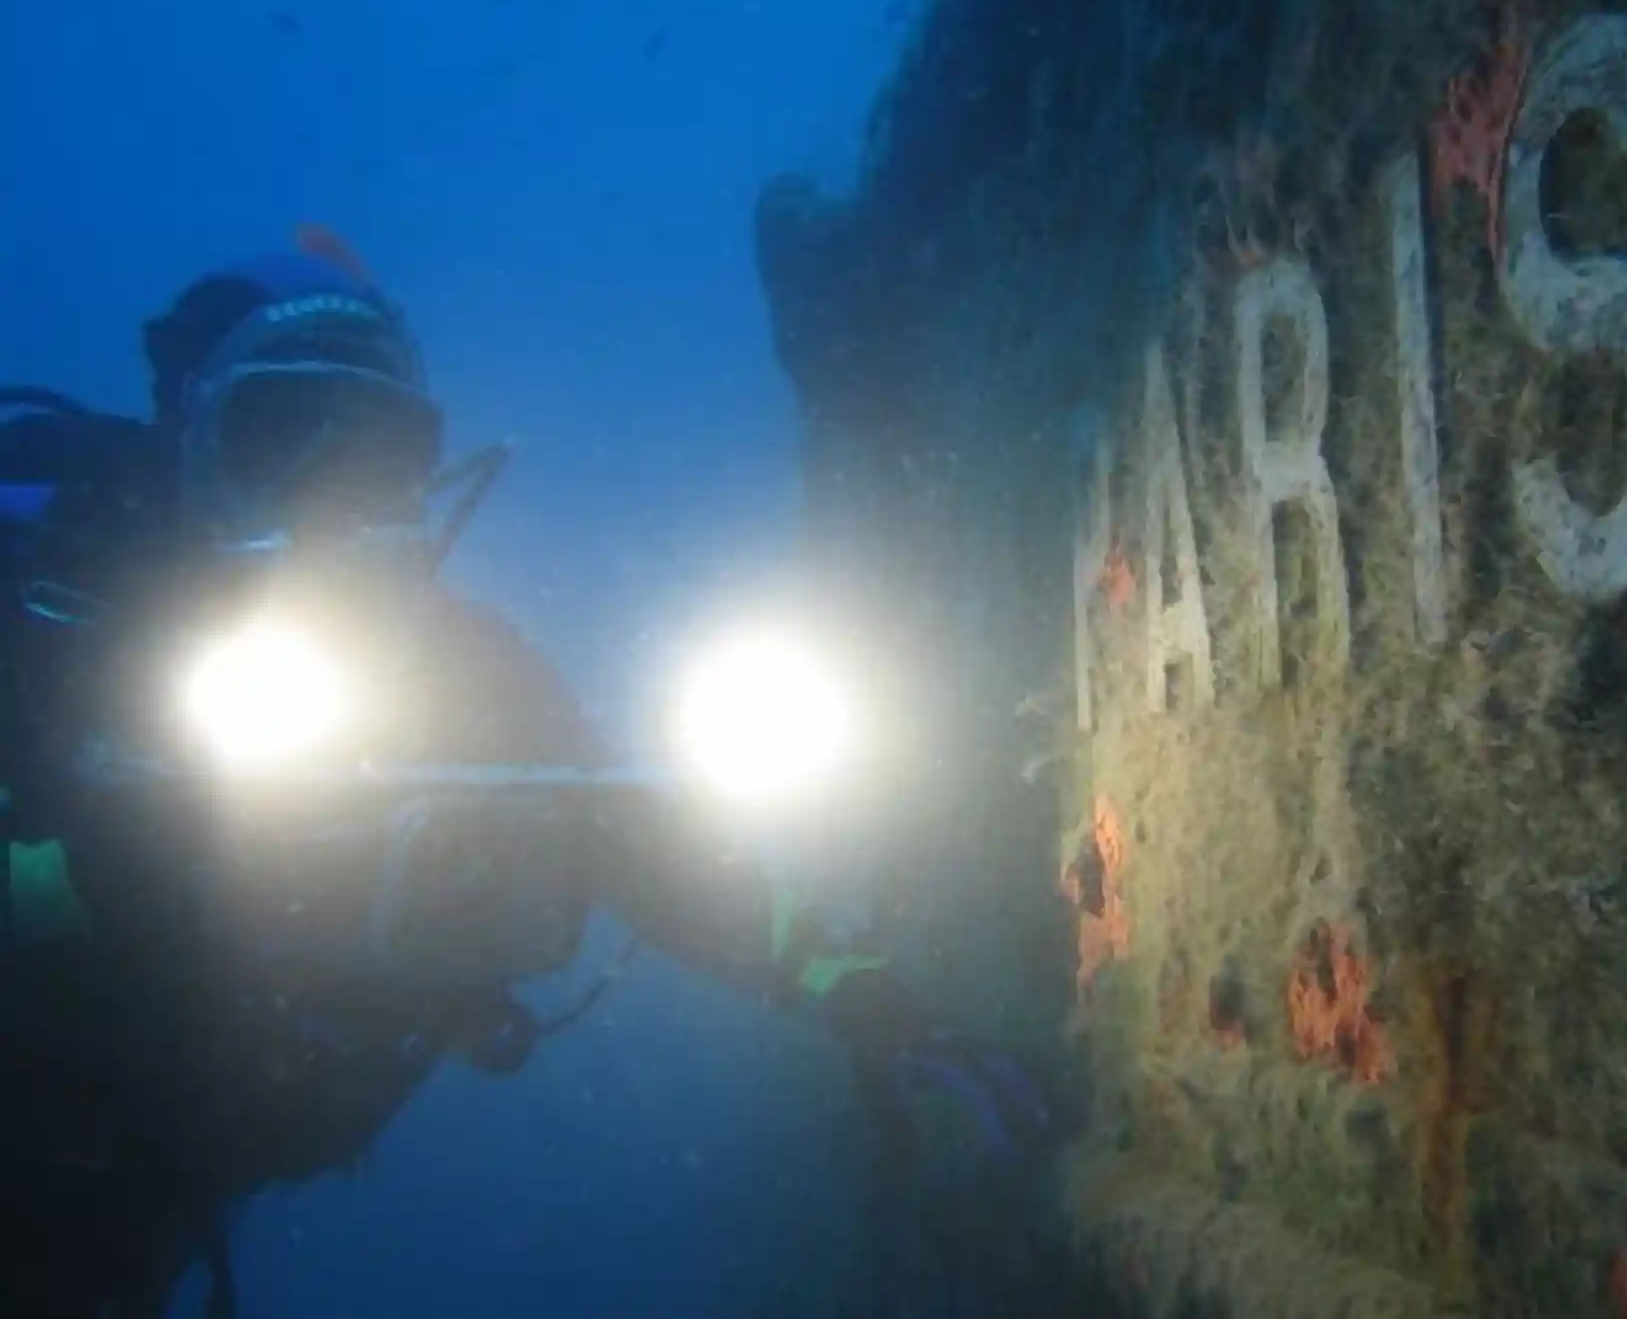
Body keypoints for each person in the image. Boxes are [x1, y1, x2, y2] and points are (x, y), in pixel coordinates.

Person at [0, 234, 1046, 1318]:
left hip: (162, 1190)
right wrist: (79, 865)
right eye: (282, 436)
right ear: (193, 442)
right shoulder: (47, 621)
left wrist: (851, 988)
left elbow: (644, 843)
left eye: (375, 452)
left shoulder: (467, 673)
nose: (333, 495)